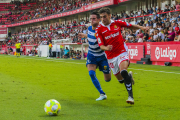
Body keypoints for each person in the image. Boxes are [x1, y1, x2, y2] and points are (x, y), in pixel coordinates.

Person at [96, 7, 148, 104]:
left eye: (105, 17)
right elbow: (101, 45)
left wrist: (141, 28)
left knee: (123, 71)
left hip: (122, 52)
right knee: (121, 80)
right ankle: (129, 77)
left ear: (110, 15)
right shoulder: (99, 29)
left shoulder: (117, 23)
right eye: (101, 17)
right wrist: (106, 48)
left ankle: (130, 97)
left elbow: (130, 26)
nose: (103, 19)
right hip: (111, 57)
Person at [78, 10, 112, 101]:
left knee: (107, 79)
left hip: (102, 56)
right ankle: (102, 93)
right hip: (91, 55)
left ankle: (121, 75)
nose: (92, 20)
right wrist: (84, 35)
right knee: (91, 73)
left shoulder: (102, 30)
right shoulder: (89, 29)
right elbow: (91, 36)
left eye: (94, 19)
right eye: (91, 19)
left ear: (98, 20)